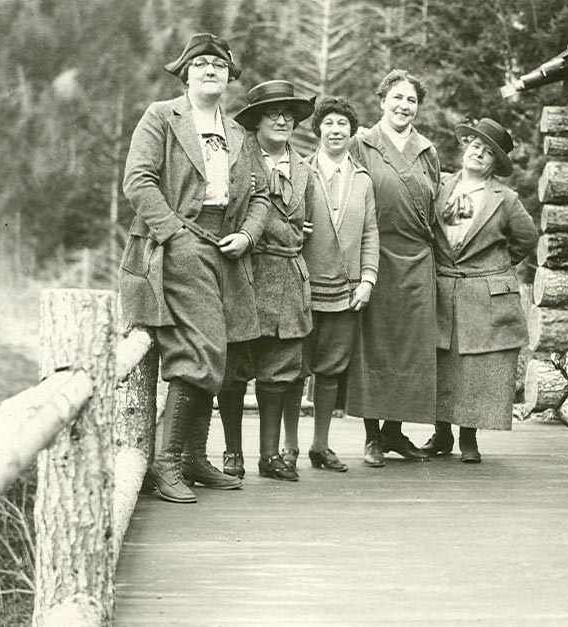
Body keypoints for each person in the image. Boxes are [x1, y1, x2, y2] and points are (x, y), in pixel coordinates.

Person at [120, 33, 270, 503]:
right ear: (185, 73)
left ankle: (194, 458)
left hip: (225, 248)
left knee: (217, 353)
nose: (210, 71)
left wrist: (247, 234)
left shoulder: (240, 134)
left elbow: (261, 195)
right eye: (201, 64)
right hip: (176, 243)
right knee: (202, 348)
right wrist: (174, 232)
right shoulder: (161, 117)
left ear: (229, 77)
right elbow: (138, 181)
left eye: (219, 65)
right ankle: (166, 463)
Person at [420, 118, 537, 463]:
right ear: (465, 147)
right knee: (441, 360)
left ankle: (468, 438)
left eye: (488, 153)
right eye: (475, 147)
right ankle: (441, 434)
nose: (479, 154)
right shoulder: (439, 186)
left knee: (473, 367)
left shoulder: (506, 198)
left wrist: (494, 265)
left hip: (481, 290)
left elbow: (526, 239)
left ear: (495, 164)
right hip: (441, 284)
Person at [217, 80, 315, 482]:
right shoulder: (238, 160)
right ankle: (232, 452)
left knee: (280, 371)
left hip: (288, 278)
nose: (282, 120)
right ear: (256, 121)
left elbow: (304, 223)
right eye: (273, 113)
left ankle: (270, 455)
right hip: (246, 271)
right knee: (235, 369)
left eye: (289, 114)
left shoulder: (304, 168)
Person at [346, 69, 440, 467]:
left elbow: (434, 204)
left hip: (418, 258)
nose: (404, 106)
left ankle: (395, 432)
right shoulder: (361, 143)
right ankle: (371, 437)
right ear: (382, 99)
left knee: (412, 347)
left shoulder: (427, 151)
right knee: (375, 343)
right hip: (375, 254)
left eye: (411, 100)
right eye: (397, 98)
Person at [301, 96, 379, 472]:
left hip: (346, 289)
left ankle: (320, 445)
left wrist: (367, 279)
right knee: (295, 367)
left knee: (331, 368)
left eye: (343, 125)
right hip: (303, 285)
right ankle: (287, 449)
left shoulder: (362, 179)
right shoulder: (302, 172)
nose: (335, 130)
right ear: (318, 129)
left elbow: (370, 233)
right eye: (329, 123)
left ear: (352, 132)